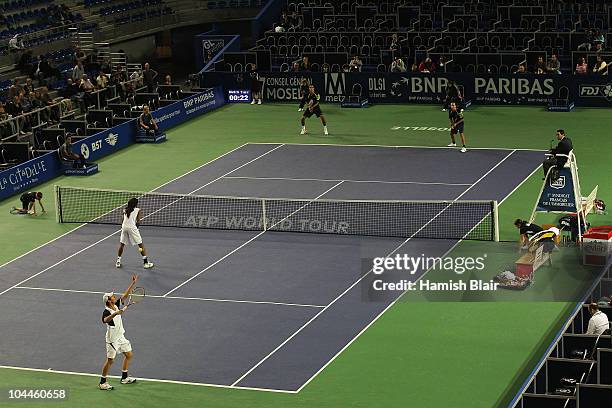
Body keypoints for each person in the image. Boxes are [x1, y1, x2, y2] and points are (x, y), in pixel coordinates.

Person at [99, 274, 139, 390]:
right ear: (108, 300)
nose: (114, 296)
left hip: (120, 336)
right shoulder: (106, 311)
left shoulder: (116, 305)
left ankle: (124, 377)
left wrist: (133, 283)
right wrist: (116, 313)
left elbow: (125, 296)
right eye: (112, 296)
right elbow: (104, 320)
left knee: (129, 355)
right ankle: (102, 382)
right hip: (112, 339)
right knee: (110, 361)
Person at [116, 198, 154, 269]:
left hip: (124, 227)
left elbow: (122, 220)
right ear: (135, 204)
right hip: (132, 228)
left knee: (122, 244)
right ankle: (146, 263)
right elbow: (138, 221)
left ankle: (118, 261)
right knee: (140, 245)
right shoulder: (138, 210)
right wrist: (136, 228)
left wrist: (125, 226)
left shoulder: (125, 210)